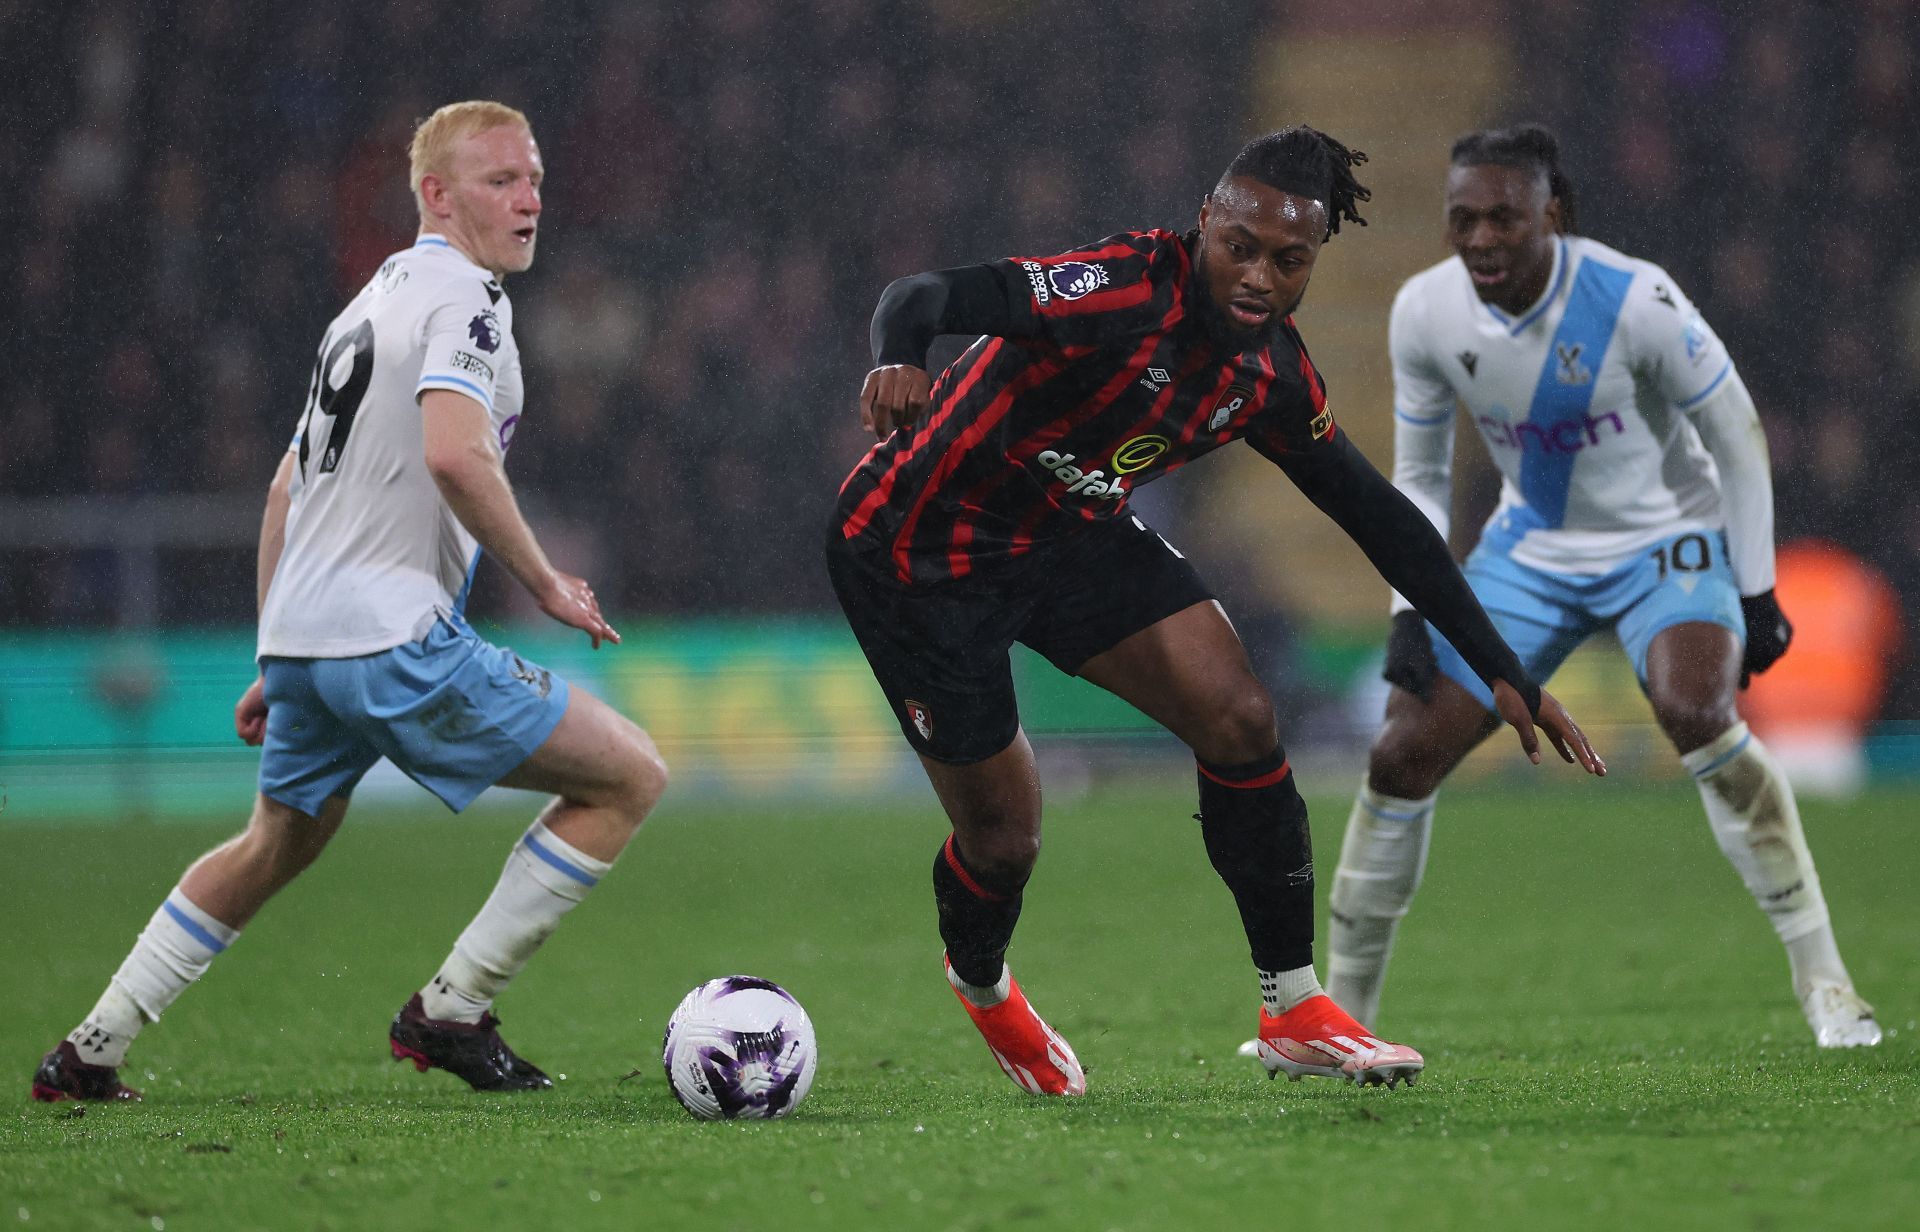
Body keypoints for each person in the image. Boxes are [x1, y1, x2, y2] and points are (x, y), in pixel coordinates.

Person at [826, 126, 1606, 1096]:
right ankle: (981, 982)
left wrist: (1502, 664)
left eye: (1289, 259)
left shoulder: (1271, 376)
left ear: (1315, 259)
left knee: (1240, 710)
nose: (1257, 276)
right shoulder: (1119, 290)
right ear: (1205, 224)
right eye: (1240, 245)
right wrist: (901, 356)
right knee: (1007, 839)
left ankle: (1293, 1004)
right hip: (921, 553)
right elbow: (925, 297)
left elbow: (1381, 518)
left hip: (1068, 531)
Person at [31, 101, 670, 1102]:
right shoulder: (464, 300)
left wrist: (270, 651)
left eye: (534, 175)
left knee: (273, 843)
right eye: (501, 179)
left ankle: (88, 1048)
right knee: (627, 774)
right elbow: (455, 453)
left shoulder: (370, 302)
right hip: (392, 635)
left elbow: (289, 485)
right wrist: (545, 579)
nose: (530, 196)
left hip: (310, 638)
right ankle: (452, 1008)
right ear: (436, 195)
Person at [1323, 124, 1880, 1048]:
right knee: (1399, 753)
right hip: (1531, 553)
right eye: (1463, 220)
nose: (1481, 240)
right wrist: (1407, 612)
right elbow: (1418, 476)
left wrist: (1756, 590)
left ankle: (1826, 982)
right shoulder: (1425, 312)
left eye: (1504, 217)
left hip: (1665, 539)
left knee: (1694, 710)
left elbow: (1737, 432)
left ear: (1556, 213)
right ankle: (1342, 1022)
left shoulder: (1635, 298)